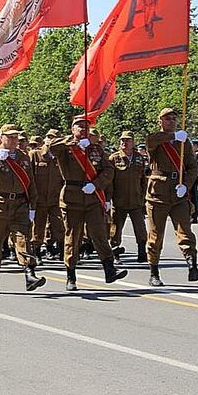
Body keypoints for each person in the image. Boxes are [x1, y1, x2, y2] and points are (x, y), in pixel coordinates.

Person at [48, 115, 126, 291]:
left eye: (86, 126)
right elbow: (51, 147)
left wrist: (96, 184)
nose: (83, 129)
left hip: (92, 197)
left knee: (99, 234)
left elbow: (108, 170)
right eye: (79, 126)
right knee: (73, 237)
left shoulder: (96, 149)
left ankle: (109, 269)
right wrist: (73, 142)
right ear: (72, 129)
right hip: (72, 198)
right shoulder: (66, 148)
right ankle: (71, 274)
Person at [145, 108, 198, 286]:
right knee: (156, 234)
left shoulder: (183, 141)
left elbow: (192, 167)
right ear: (160, 121)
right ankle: (154, 272)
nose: (171, 121)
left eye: (173, 118)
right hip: (158, 193)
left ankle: (192, 267)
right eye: (167, 118)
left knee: (185, 232)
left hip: (178, 192)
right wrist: (172, 137)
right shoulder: (157, 139)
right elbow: (150, 141)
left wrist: (186, 185)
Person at [0, 125, 44, 295]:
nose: (13, 140)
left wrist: (32, 205)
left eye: (15, 137)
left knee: (24, 239)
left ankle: (30, 274)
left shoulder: (23, 157)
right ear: (2, 137)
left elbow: (30, 182)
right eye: (9, 137)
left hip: (19, 205)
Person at [108, 131, 148, 263]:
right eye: (122, 140)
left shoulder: (139, 158)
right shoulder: (114, 158)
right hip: (119, 200)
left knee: (140, 228)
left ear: (133, 142)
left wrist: (143, 196)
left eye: (128, 140)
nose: (125, 143)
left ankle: (142, 252)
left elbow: (143, 179)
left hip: (136, 200)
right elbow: (109, 180)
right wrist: (109, 198)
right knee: (116, 228)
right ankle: (115, 252)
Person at [30, 131, 65, 260]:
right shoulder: (35, 155)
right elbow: (30, 178)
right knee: (37, 228)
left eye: (55, 138)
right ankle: (36, 252)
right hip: (39, 199)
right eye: (49, 137)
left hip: (56, 200)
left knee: (60, 227)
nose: (51, 141)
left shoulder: (61, 157)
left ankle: (62, 251)